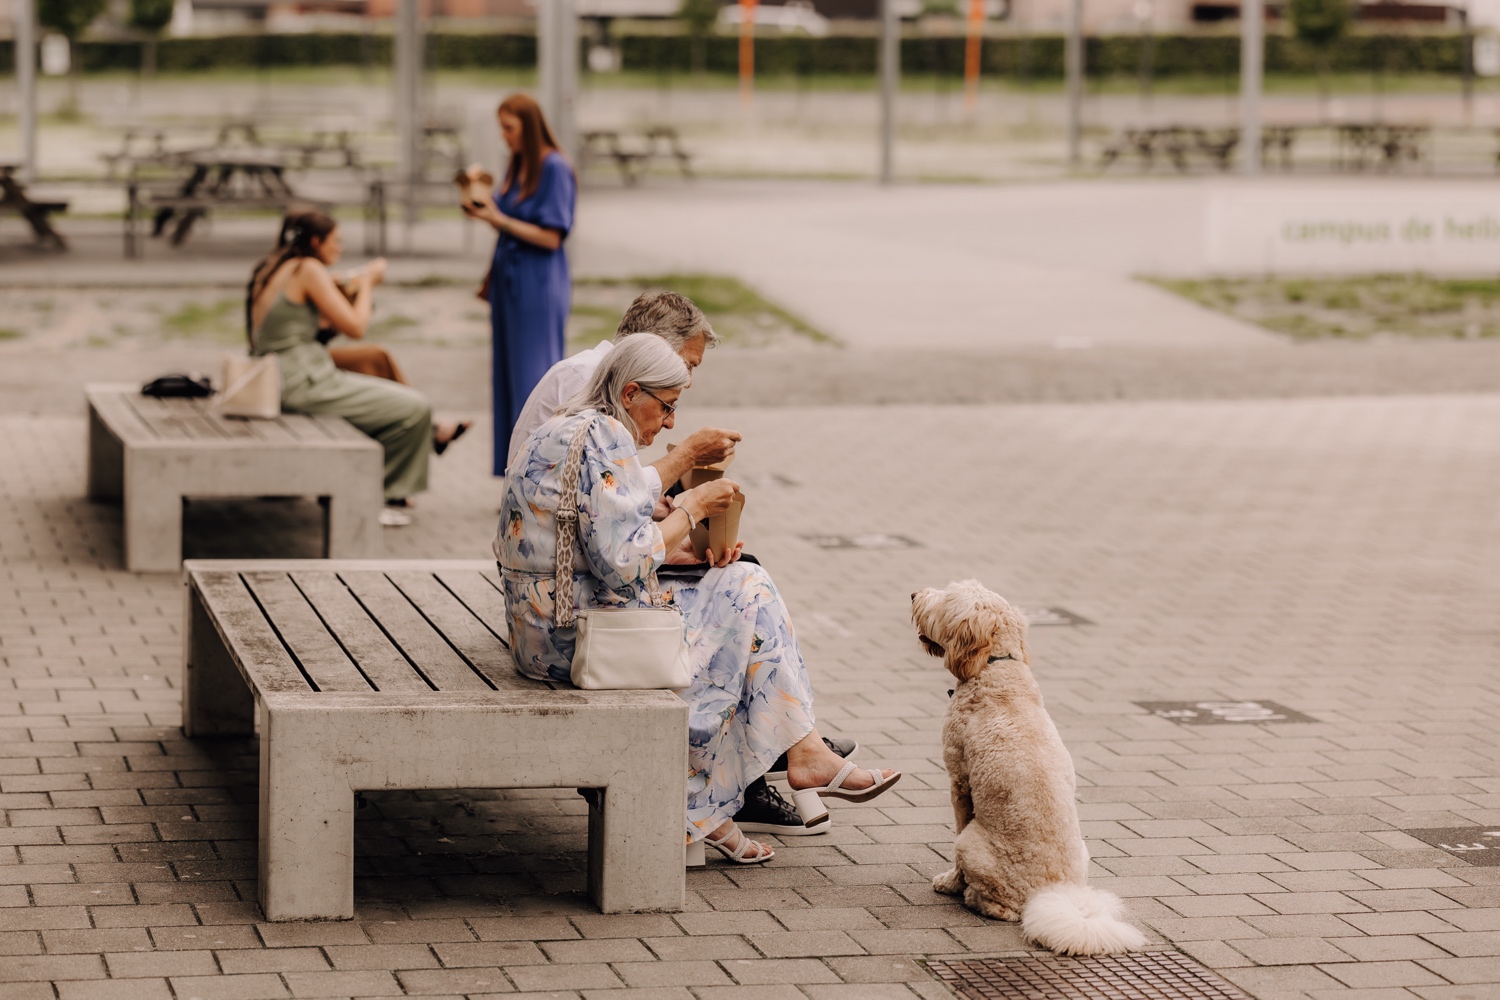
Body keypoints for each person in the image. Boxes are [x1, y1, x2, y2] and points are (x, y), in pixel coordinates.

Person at [497, 335, 901, 864]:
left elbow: (602, 531)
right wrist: (692, 504)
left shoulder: (569, 426)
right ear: (631, 391)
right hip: (572, 643)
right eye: (667, 407)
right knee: (746, 596)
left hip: (540, 626)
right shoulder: (606, 435)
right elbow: (622, 563)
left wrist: (680, 547)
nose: (668, 423)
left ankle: (790, 759)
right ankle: (719, 798)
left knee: (741, 585)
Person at [246, 211, 464, 527]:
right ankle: (369, 499)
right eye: (336, 241)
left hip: (284, 376)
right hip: (302, 380)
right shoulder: (308, 269)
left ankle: (367, 490)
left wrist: (358, 277)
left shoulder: (277, 266)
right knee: (415, 408)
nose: (340, 248)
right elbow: (356, 326)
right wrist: (368, 285)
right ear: (316, 242)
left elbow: (333, 289)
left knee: (387, 380)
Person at [462, 93, 577, 477]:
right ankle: (514, 472)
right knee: (508, 378)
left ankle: (541, 473)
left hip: (538, 281)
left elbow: (551, 236)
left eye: (509, 128)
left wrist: (499, 221)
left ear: (528, 127)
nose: (503, 136)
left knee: (534, 378)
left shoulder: (555, 167)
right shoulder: (518, 166)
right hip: (509, 280)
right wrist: (477, 200)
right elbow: (501, 211)